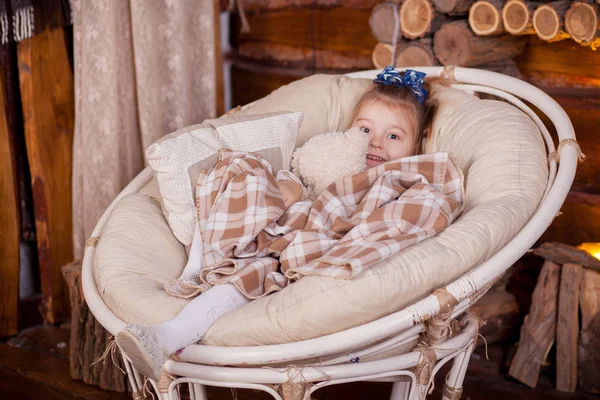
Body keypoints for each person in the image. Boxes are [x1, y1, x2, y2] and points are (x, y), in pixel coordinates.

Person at [115, 66, 433, 381]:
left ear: (415, 149)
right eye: (365, 130)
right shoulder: (332, 156)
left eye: (393, 135)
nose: (376, 143)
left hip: (292, 252)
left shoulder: (396, 182)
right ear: (350, 131)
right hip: (267, 224)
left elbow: (377, 226)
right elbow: (302, 174)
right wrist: (287, 187)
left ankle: (167, 336)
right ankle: (197, 265)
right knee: (244, 173)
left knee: (248, 278)